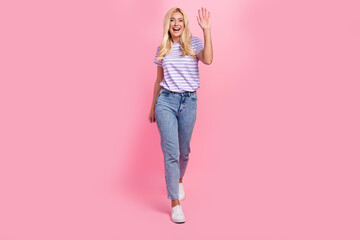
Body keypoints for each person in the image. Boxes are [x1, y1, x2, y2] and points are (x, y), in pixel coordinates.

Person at [148, 7, 213, 223]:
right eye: (172, 20)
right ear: (168, 24)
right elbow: (158, 80)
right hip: (166, 101)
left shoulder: (193, 44)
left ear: (184, 24)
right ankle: (175, 203)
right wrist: (152, 107)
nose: (176, 23)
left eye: (180, 20)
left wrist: (207, 30)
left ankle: (179, 179)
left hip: (189, 102)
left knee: (184, 151)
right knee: (171, 153)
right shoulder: (162, 48)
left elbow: (209, 59)